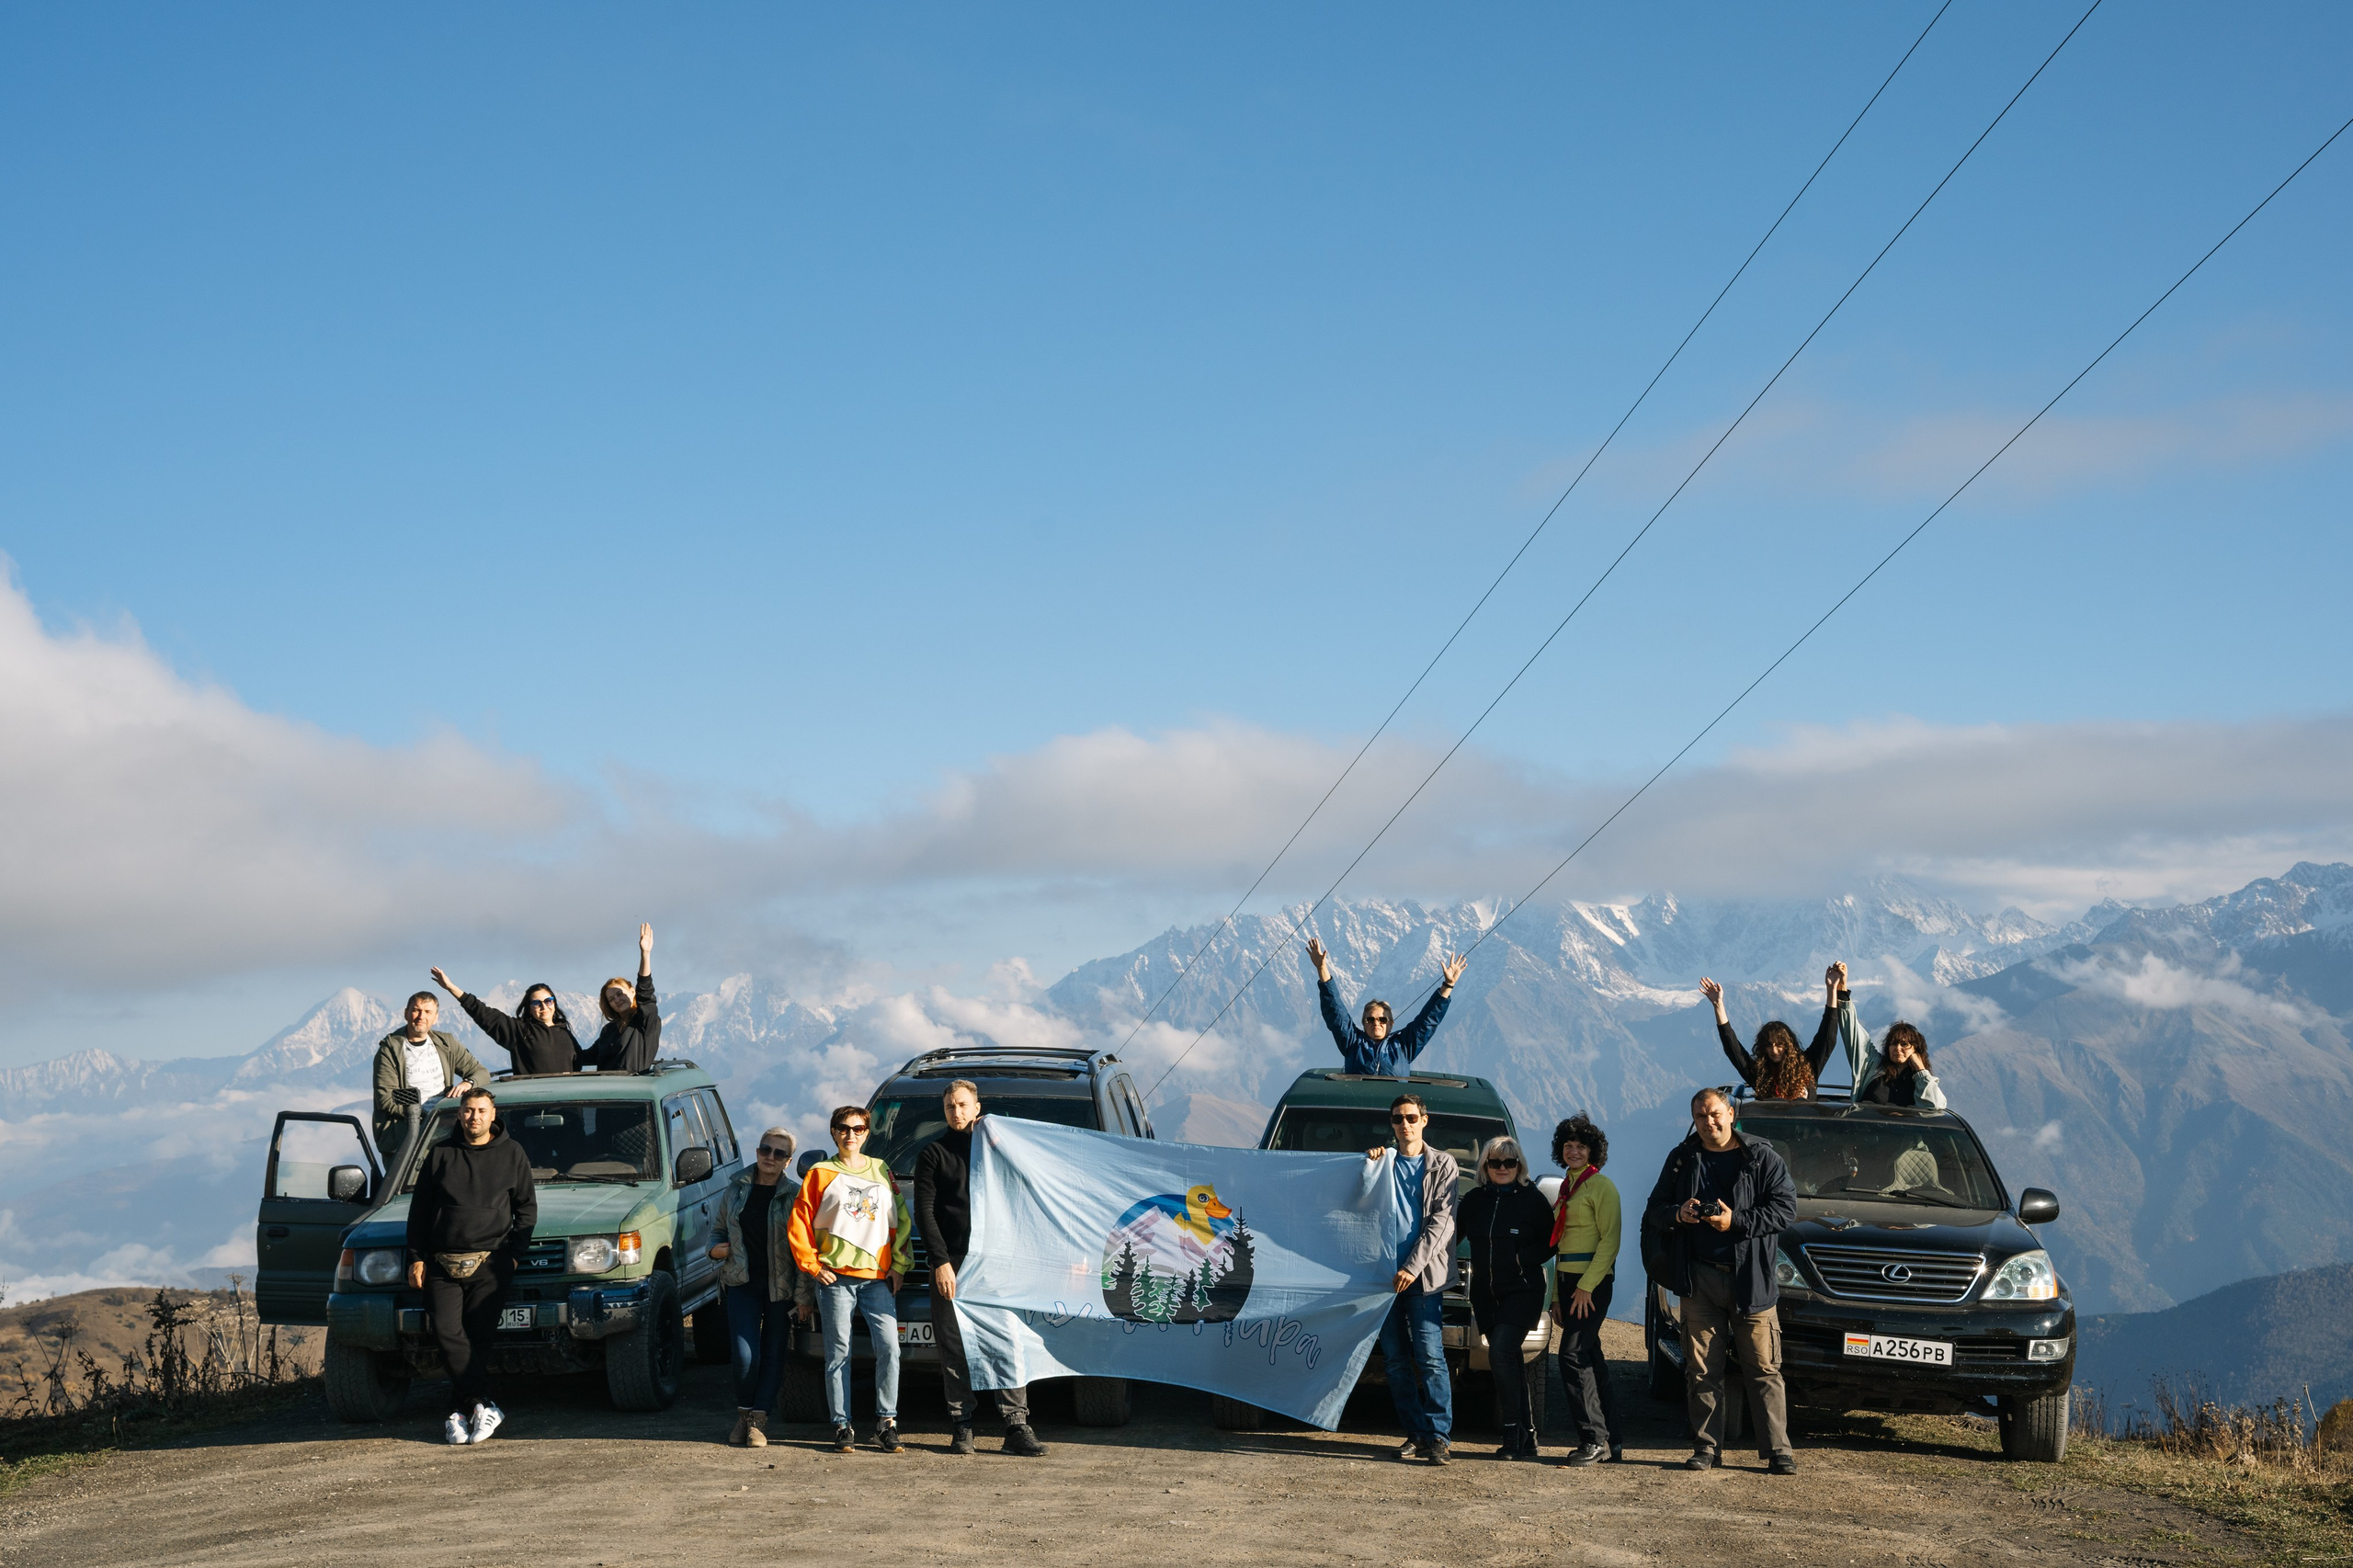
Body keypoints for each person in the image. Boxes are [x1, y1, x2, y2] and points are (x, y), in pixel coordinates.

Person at [1643, 1087, 1799, 1473]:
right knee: (1701, 1369)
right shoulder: (1683, 1159)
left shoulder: (1761, 1158)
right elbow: (1654, 1209)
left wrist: (1737, 1221)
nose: (1709, 1122)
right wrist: (1679, 1213)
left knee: (1763, 1368)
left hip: (1753, 1282)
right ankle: (1707, 1448)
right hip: (1699, 1279)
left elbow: (1785, 1210)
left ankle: (1779, 1451)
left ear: (1730, 1113)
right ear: (1693, 1120)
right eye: (1700, 1116)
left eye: (1714, 1114)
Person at [915, 1080, 1047, 1458]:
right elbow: (925, 1211)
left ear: (977, 1108)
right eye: (949, 1107)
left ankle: (1016, 1425)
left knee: (1007, 1343)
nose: (955, 1113)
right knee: (953, 1346)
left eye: (962, 1105)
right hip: (953, 1263)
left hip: (998, 1261)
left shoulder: (999, 1148)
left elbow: (1026, 1193)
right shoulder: (933, 1153)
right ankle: (962, 1427)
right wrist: (939, 1261)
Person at [404, 1085, 536, 1446]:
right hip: (440, 1263)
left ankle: (457, 1413)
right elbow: (419, 1212)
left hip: (491, 1263)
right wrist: (416, 1256)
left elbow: (526, 1210)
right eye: (467, 1110)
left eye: (481, 1110)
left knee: (478, 1339)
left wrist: (514, 1254)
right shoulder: (440, 1153)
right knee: (447, 1333)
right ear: (458, 1114)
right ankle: (482, 1404)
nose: (473, 1117)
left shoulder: (512, 1154)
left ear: (493, 1115)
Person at [788, 1103, 913, 1454]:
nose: (851, 1135)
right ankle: (842, 1425)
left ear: (867, 1133)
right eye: (844, 1128)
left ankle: (886, 1422)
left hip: (877, 1278)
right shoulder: (820, 1172)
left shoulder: (881, 1169)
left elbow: (900, 1218)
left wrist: (899, 1265)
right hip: (835, 1279)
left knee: (890, 1348)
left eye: (859, 1129)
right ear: (833, 1132)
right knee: (837, 1353)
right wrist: (813, 1266)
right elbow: (799, 1222)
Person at [1366, 1092, 1459, 1464]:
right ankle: (1416, 1433)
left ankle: (1440, 1436)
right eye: (1396, 1119)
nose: (1403, 1124)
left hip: (1424, 1278)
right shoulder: (1381, 1163)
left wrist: (1412, 1267)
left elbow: (1443, 1221)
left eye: (1410, 1117)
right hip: (1382, 1277)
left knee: (1431, 1356)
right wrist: (1369, 1161)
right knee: (1395, 1362)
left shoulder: (1443, 1165)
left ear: (1424, 1120)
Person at [708, 1127, 809, 1447]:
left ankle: (758, 1421)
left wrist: (804, 1295)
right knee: (743, 1356)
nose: (770, 1157)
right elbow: (717, 1231)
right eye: (766, 1149)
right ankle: (744, 1413)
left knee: (774, 1353)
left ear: (788, 1161)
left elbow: (805, 1250)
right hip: (741, 1284)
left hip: (781, 1288)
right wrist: (715, 1251)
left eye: (779, 1153)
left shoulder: (795, 1195)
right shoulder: (736, 1188)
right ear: (757, 1151)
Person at [1457, 1133, 1552, 1460]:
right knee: (1510, 1360)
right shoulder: (1474, 1201)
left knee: (1500, 1353)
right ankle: (1529, 1436)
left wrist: (1519, 1259)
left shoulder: (1532, 1199)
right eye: (1495, 1162)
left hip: (1523, 1292)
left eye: (1509, 1162)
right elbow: (1450, 1238)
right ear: (1485, 1166)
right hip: (1486, 1296)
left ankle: (1511, 1434)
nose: (1502, 1168)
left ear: (1519, 1165)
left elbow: (1551, 1241)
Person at [1550, 1112, 1622, 1467]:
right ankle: (1614, 1439)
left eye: (1580, 1146)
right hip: (1565, 1280)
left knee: (1572, 1356)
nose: (1574, 1152)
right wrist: (1555, 1297)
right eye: (1568, 1146)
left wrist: (1585, 1288)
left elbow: (1610, 1242)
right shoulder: (1567, 1186)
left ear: (1593, 1151)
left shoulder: (1602, 1186)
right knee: (1590, 1356)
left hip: (1590, 1283)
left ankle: (1592, 1439)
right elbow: (1558, 1243)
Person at [1307, 937, 1469, 1077]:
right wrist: (1322, 968)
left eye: (1382, 1019)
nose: (1376, 1023)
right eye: (1370, 1019)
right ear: (1363, 1023)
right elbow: (1336, 1013)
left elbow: (1428, 1021)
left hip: (1395, 1110)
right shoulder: (1353, 1043)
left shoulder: (1405, 1045)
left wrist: (1448, 985)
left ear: (1391, 1023)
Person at [1697, 964, 1846, 1100]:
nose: (1774, 1050)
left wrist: (1832, 990)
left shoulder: (1808, 1066)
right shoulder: (1759, 1074)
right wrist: (1718, 1005)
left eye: (1779, 1044)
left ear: (1788, 1044)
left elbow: (1828, 1036)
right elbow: (1732, 1048)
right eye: (1769, 1045)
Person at [369, 991, 489, 1157]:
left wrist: (468, 1083)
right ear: (406, 1013)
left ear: (436, 1017)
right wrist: (431, 1117)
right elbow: (387, 1100)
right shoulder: (390, 1050)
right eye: (416, 1010)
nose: (421, 1016)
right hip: (404, 1139)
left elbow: (480, 1072)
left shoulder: (446, 1043)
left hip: (444, 1136)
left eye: (427, 1012)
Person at [428, 970, 580, 1076]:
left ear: (554, 1002)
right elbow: (484, 1014)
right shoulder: (520, 1031)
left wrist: (605, 1036)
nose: (544, 1006)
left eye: (548, 1001)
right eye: (536, 1003)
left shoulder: (565, 1033)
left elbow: (586, 1057)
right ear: (529, 1007)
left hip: (568, 1111)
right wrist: (451, 988)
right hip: (534, 1110)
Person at [1831, 976, 1949, 1108]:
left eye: (1904, 1044)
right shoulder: (1873, 1066)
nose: (1897, 1048)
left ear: (1916, 1049)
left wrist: (1920, 1070)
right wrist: (1842, 989)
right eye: (1893, 1043)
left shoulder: (1921, 1083)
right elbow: (1853, 1033)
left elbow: (1936, 1106)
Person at [581, 924, 662, 1074]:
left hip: (634, 1094)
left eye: (620, 993)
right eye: (611, 999)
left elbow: (646, 994)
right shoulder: (609, 1030)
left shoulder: (644, 1022)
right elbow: (584, 1057)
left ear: (632, 992)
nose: (616, 1000)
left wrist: (645, 954)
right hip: (606, 1094)